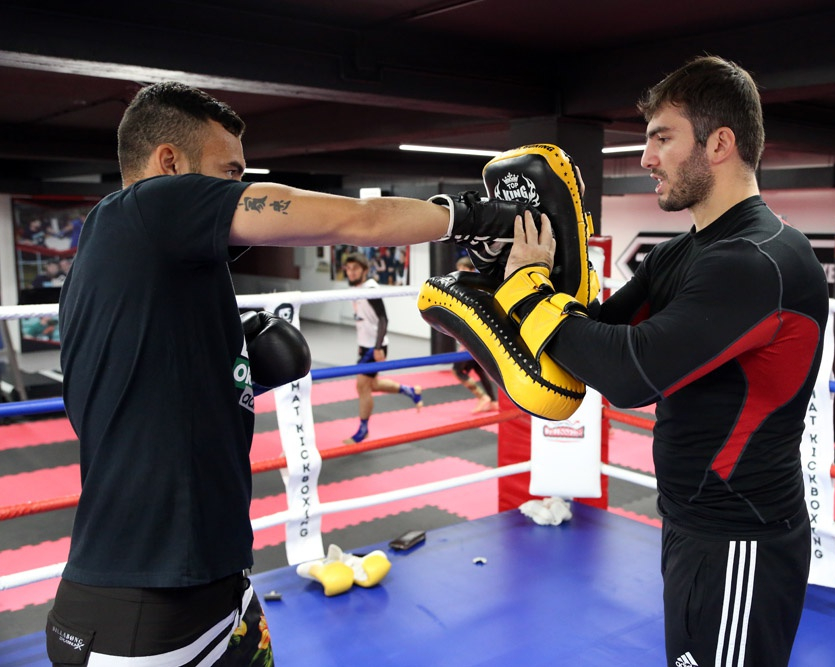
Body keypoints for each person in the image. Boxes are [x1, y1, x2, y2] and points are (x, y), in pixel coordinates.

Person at [52, 81, 528, 666]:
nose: (238, 185)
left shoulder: (118, 262)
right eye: (229, 173)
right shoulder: (150, 206)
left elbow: (118, 405)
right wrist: (480, 217)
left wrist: (236, 374)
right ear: (169, 163)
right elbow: (357, 220)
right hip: (141, 617)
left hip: (216, 589)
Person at [504, 55, 828, 667]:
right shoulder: (681, 254)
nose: (646, 158)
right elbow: (597, 338)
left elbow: (629, 376)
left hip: (740, 539)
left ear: (720, 144)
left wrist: (527, 296)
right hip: (691, 523)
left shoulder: (758, 260)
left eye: (662, 138)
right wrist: (527, 273)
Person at [341, 252, 423, 444]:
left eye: (355, 268)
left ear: (364, 270)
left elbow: (383, 319)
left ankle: (363, 430)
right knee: (372, 385)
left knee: (362, 386)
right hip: (365, 346)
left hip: (374, 347)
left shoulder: (370, 289)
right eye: (348, 268)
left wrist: (377, 347)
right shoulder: (357, 288)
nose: (351, 272)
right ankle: (410, 391)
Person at [451, 255, 499, 412]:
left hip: (473, 337)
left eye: (463, 269)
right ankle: (493, 402)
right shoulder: (468, 288)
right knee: (479, 369)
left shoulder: (473, 289)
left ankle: (482, 397)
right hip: (476, 336)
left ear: (472, 270)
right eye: (458, 269)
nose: (460, 272)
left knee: (457, 370)